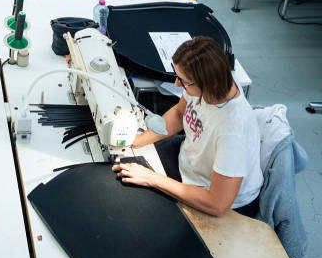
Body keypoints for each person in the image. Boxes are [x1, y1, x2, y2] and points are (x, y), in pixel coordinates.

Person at [112, 36, 263, 217]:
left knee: (138, 208)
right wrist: (138, 140)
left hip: (217, 198)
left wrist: (152, 178)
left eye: (183, 81)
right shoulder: (212, 82)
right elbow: (179, 113)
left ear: (209, 83)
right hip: (190, 162)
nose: (177, 84)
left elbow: (217, 204)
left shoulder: (232, 132)